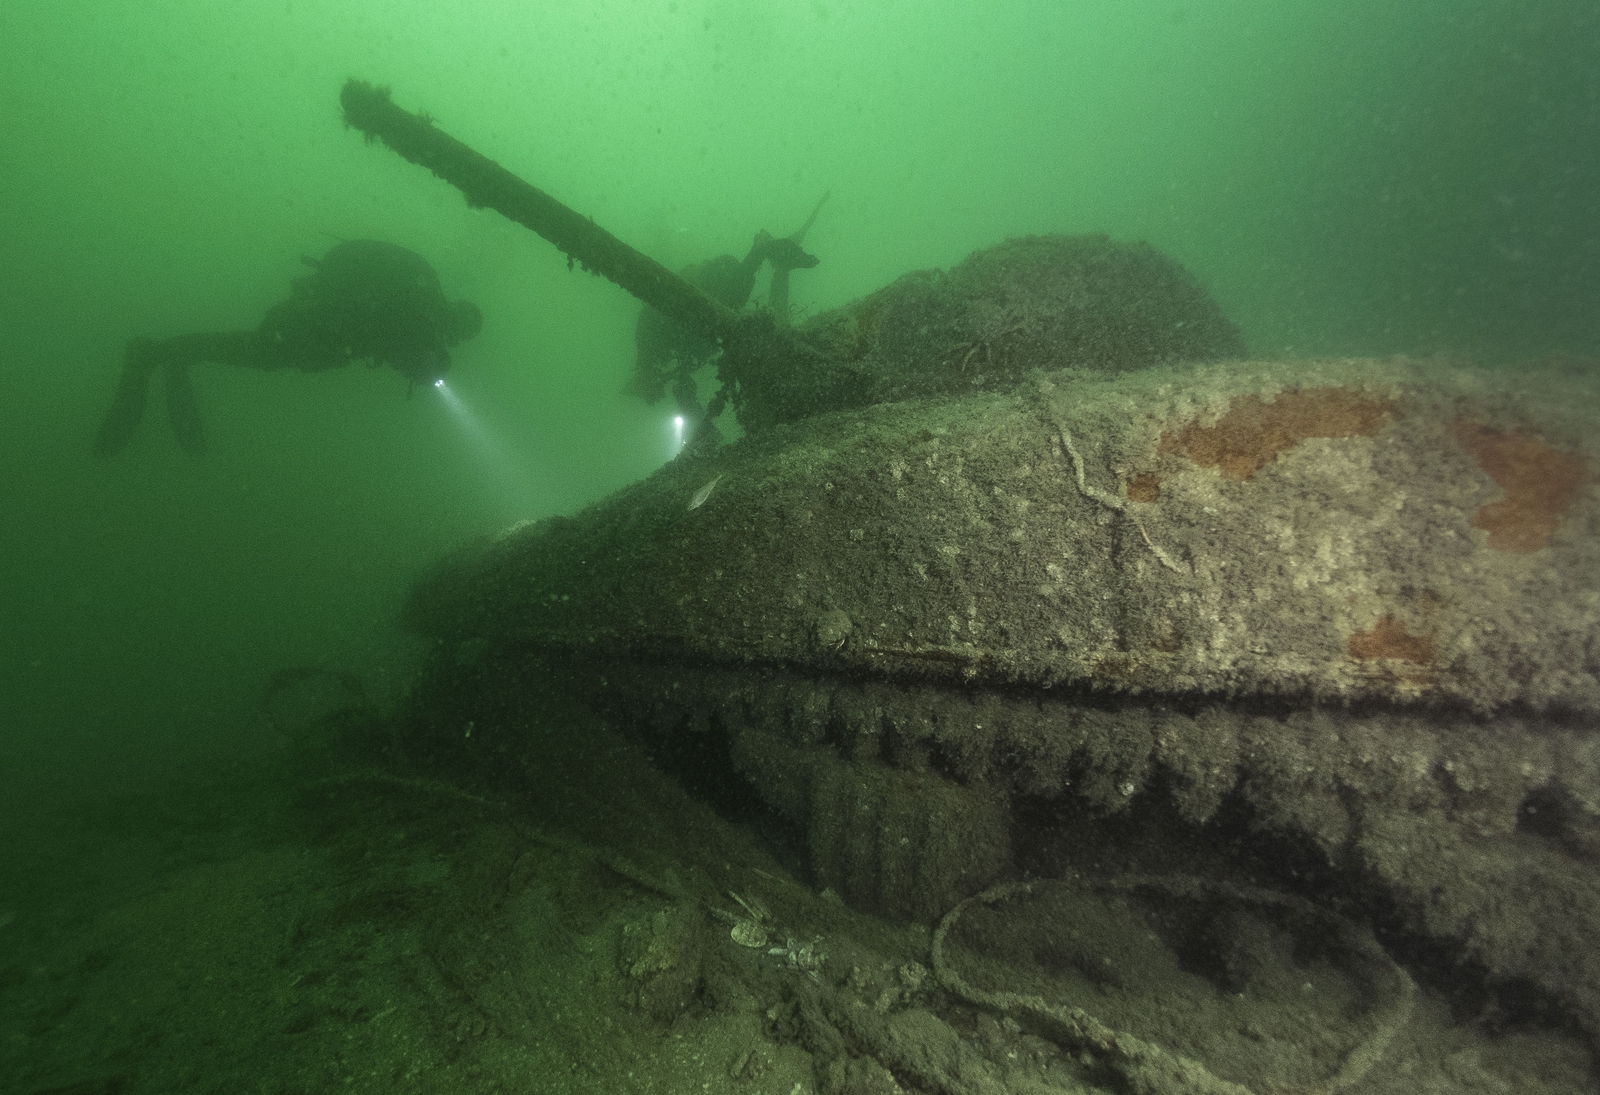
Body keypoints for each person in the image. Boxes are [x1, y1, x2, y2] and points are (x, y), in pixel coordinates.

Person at [93, 239, 482, 457]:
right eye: (455, 337)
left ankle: (165, 354)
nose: (447, 341)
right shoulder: (422, 310)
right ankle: (159, 353)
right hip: (311, 329)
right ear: (457, 323)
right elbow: (399, 346)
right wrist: (428, 364)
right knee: (255, 352)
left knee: (253, 352)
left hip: (312, 326)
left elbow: (388, 338)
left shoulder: (419, 303)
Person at [627, 193, 828, 441]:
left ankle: (762, 250)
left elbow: (703, 311)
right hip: (711, 309)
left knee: (738, 308)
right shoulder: (663, 353)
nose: (652, 399)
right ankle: (765, 255)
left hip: (708, 303)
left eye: (647, 393)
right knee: (749, 317)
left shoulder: (651, 337)